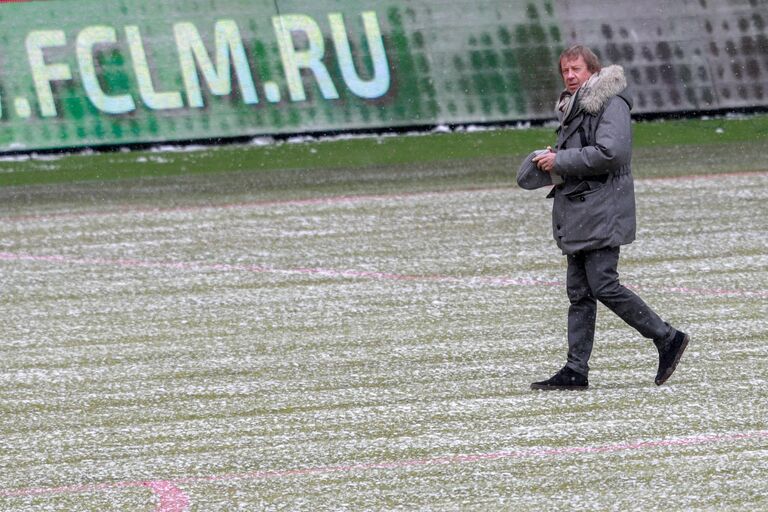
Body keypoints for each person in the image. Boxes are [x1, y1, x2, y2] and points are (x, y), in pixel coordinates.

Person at [523, 44, 689, 390]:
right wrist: (555, 157)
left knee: (603, 284)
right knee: (579, 292)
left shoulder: (610, 102)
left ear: (592, 72)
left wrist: (561, 161)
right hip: (582, 210)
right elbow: (589, 150)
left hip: (602, 209)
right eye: (565, 70)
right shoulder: (573, 106)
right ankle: (575, 371)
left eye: (576, 69)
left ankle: (667, 337)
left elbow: (612, 153)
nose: (569, 76)